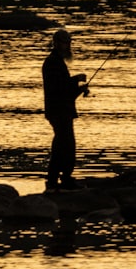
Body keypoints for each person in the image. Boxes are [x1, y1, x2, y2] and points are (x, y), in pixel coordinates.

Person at [41, 28, 89, 191]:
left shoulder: (56, 62)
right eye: (65, 43)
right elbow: (59, 89)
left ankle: (56, 180)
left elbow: (64, 90)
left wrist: (79, 89)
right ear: (56, 43)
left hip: (61, 110)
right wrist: (76, 80)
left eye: (69, 43)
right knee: (65, 145)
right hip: (59, 112)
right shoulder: (53, 62)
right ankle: (62, 179)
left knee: (62, 145)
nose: (68, 46)